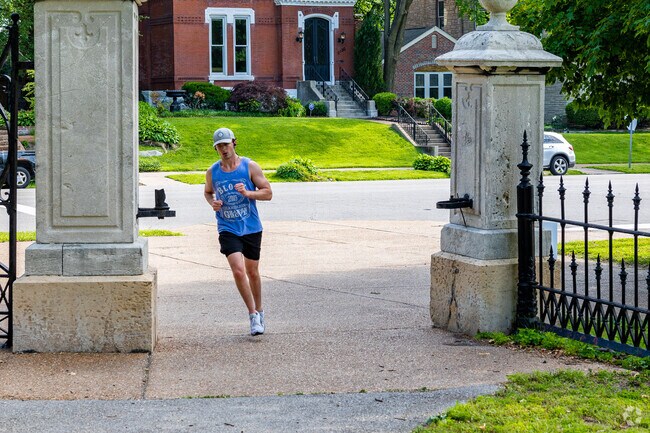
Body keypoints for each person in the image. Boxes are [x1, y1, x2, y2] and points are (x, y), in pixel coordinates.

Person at [204, 127, 273, 336]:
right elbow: (208, 192)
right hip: (228, 227)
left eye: (226, 144)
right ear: (215, 148)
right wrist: (212, 203)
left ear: (234, 143)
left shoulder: (249, 166)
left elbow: (268, 193)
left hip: (251, 227)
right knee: (238, 270)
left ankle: (260, 310)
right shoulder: (212, 172)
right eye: (219, 146)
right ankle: (252, 315)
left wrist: (248, 192)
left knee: (252, 272)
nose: (223, 149)